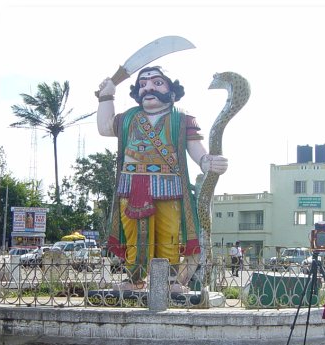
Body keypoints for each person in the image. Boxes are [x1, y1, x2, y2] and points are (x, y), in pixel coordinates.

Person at [96, 66, 228, 290]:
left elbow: (195, 148)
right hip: (132, 185)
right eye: (143, 84)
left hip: (169, 185)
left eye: (157, 83)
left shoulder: (182, 118)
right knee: (134, 235)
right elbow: (105, 127)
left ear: (172, 90)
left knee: (169, 233)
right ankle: (135, 279)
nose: (148, 87)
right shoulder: (129, 118)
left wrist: (207, 162)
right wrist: (107, 95)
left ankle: (169, 281)